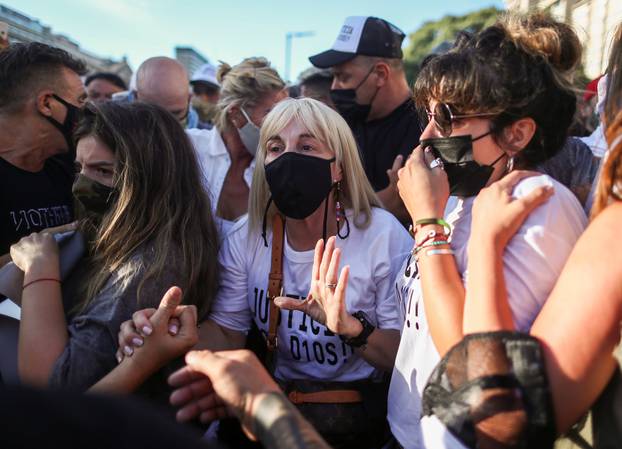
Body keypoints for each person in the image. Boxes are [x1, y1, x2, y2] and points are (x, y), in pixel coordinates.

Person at [118, 97, 412, 448]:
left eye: (306, 145)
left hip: (360, 420)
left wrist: (351, 328)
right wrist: (169, 331)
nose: (288, 157)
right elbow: (229, 332)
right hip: (277, 408)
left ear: (338, 167)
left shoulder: (382, 236)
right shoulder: (247, 237)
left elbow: (401, 356)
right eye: (275, 147)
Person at [388, 13, 588, 448]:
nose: (426, 136)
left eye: (447, 117)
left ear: (516, 133)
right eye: (428, 113)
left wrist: (426, 224)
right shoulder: (461, 197)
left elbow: (467, 363)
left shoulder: (539, 206)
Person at [8, 102, 219, 400]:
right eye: (80, 168)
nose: (82, 184)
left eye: (103, 171)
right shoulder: (117, 232)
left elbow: (55, 387)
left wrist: (40, 268)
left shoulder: (152, 264)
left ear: (150, 178)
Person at [309, 16, 421, 223]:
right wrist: (383, 203)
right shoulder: (347, 124)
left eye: (343, 77)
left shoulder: (426, 127)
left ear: (380, 74)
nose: (334, 87)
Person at [0, 42, 87, 256]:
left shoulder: (70, 169)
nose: (87, 113)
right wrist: (29, 256)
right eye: (80, 101)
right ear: (47, 104)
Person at [190, 57, 287, 233]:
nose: (281, 124)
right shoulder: (189, 148)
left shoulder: (278, 167)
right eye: (270, 113)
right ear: (236, 114)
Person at [134, 56, 208, 129]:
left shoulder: (209, 138)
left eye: (174, 114)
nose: (164, 127)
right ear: (136, 98)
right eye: (153, 115)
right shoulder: (124, 132)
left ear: (189, 98)